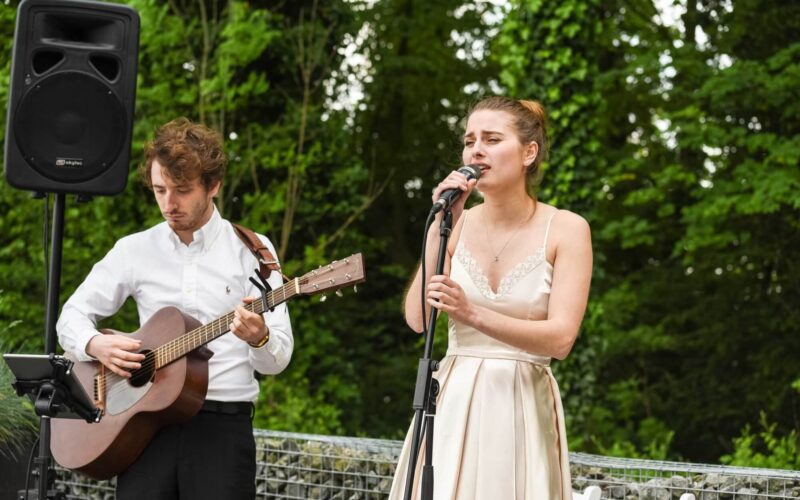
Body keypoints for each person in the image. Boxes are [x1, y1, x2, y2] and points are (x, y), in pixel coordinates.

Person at [56, 118, 293, 499]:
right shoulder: (134, 249)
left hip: (222, 432)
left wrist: (260, 338)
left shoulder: (254, 251)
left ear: (213, 186)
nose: (168, 204)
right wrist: (95, 344)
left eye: (181, 191)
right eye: (159, 190)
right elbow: (70, 316)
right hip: (144, 429)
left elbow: (276, 361)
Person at [389, 96, 593, 500]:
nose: (476, 149)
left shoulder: (567, 229)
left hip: (521, 399)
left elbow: (561, 339)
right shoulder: (455, 223)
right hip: (453, 401)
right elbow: (417, 319)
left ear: (528, 153)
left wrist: (473, 313)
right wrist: (439, 226)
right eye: (469, 140)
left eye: (492, 139)